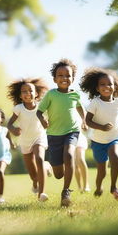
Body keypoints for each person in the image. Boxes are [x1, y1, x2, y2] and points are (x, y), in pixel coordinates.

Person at [37, 58, 86, 207]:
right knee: (58, 173)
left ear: (72, 78)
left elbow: (80, 107)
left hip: (72, 131)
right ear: (54, 78)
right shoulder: (51, 94)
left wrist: (84, 120)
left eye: (68, 75)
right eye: (60, 75)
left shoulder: (75, 94)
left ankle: (66, 192)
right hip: (53, 135)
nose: (64, 78)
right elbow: (39, 112)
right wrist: (43, 120)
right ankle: (50, 167)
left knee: (70, 155)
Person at [80, 67, 118, 201]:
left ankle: (114, 187)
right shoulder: (95, 103)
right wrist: (101, 127)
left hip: (115, 137)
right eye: (102, 84)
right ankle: (98, 187)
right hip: (98, 142)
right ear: (97, 88)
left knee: (115, 157)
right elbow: (88, 120)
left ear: (114, 86)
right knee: (101, 172)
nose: (106, 86)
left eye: (109, 84)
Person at [7, 78, 52, 202]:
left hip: (39, 138)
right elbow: (9, 124)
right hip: (25, 141)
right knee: (33, 175)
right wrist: (13, 130)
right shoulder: (19, 108)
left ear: (36, 93)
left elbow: (48, 120)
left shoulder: (41, 106)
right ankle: (42, 173)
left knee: (39, 159)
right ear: (20, 96)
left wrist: (46, 122)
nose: (28, 94)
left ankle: (41, 194)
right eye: (24, 92)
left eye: (30, 91)